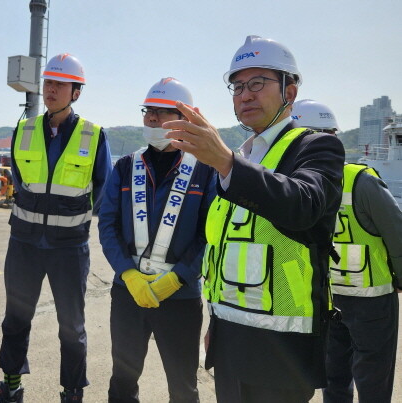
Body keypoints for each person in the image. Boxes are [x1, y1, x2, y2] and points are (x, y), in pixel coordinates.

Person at [162, 35, 345, 402]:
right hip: (231, 342)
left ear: (290, 92)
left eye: (258, 83)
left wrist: (227, 162)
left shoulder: (316, 147)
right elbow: (226, 250)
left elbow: (303, 205)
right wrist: (217, 322)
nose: (245, 95)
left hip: (282, 351)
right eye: (238, 86)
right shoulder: (243, 156)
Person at [0, 53, 112, 403]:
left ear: (76, 92)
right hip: (24, 244)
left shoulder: (94, 135)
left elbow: (101, 190)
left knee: (72, 328)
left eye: (61, 84)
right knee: (15, 319)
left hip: (69, 248)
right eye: (48, 82)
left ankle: (72, 392)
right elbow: (20, 179)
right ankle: (11, 384)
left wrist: (71, 222)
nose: (52, 89)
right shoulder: (24, 129)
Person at [98, 77, 217, 402]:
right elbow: (107, 226)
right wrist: (128, 273)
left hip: (179, 298)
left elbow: (211, 235)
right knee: (122, 382)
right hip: (128, 293)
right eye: (148, 111)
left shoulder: (206, 170)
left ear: (185, 119)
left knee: (182, 387)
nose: (152, 118)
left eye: (162, 112)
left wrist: (179, 277)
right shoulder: (125, 167)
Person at [292, 99, 402, 403]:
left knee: (334, 377)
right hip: (370, 300)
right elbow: (396, 232)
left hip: (329, 298)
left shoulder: (292, 187)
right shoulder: (360, 181)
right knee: (371, 378)